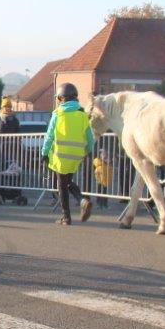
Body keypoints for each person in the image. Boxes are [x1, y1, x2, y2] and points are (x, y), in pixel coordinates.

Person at [41, 83, 94, 225]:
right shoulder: (82, 115)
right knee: (68, 182)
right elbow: (89, 138)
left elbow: (49, 136)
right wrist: (89, 151)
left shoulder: (58, 114)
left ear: (61, 98)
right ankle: (82, 200)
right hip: (76, 156)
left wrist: (44, 153)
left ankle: (66, 217)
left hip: (60, 155)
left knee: (62, 185)